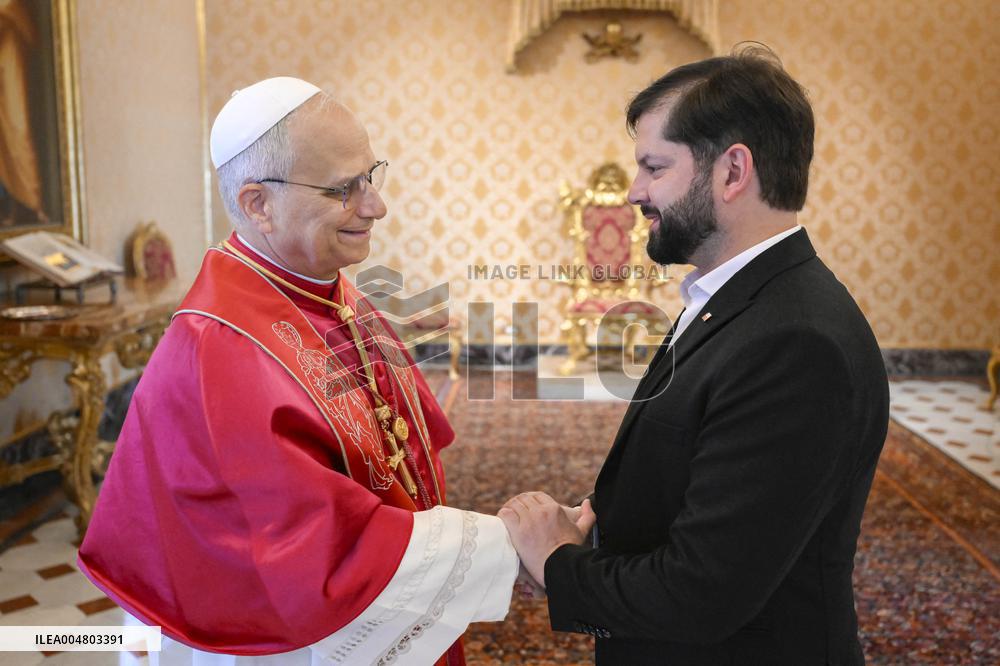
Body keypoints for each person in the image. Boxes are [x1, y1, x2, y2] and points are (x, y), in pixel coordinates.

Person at [78, 77, 525, 666]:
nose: (375, 205)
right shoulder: (222, 346)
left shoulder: (324, 288)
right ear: (259, 203)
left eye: (371, 175)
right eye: (343, 188)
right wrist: (510, 547)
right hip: (273, 636)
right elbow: (316, 548)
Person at [500, 46, 890, 665]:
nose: (634, 192)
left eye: (654, 167)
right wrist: (601, 523)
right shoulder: (736, 297)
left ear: (733, 171)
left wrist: (558, 565)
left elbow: (703, 593)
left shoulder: (795, 342)